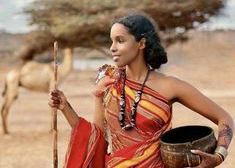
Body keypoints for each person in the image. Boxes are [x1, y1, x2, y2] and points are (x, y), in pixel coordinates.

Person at [49, 12, 234, 168]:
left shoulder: (170, 86)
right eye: (111, 41)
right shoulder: (107, 83)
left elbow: (224, 118)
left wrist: (218, 157)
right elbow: (95, 139)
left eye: (120, 41)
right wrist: (66, 107)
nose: (112, 48)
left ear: (141, 43)